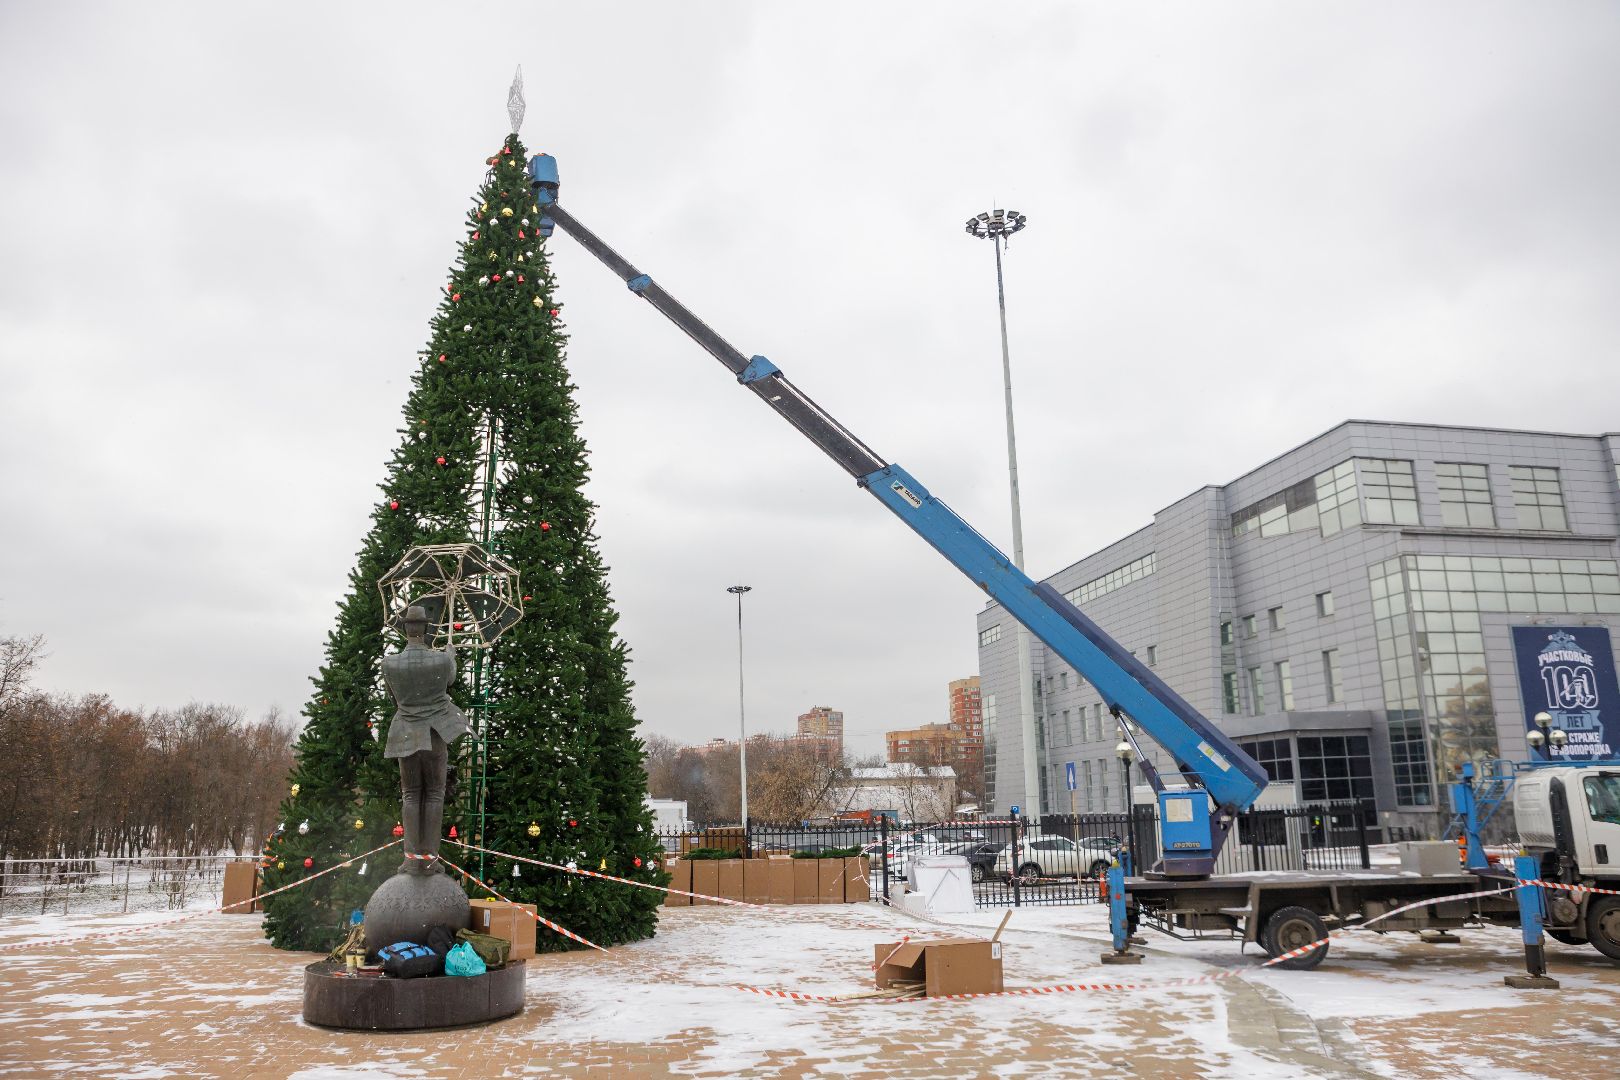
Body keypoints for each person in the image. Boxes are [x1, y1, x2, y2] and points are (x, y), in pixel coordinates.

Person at [382, 606, 468, 874]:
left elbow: (392, 697)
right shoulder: (441, 661)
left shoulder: (390, 663)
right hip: (434, 733)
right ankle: (430, 858)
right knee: (434, 794)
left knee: (410, 794)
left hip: (406, 731)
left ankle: (410, 858)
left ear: (406, 629)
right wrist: (450, 655)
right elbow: (450, 679)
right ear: (426, 629)